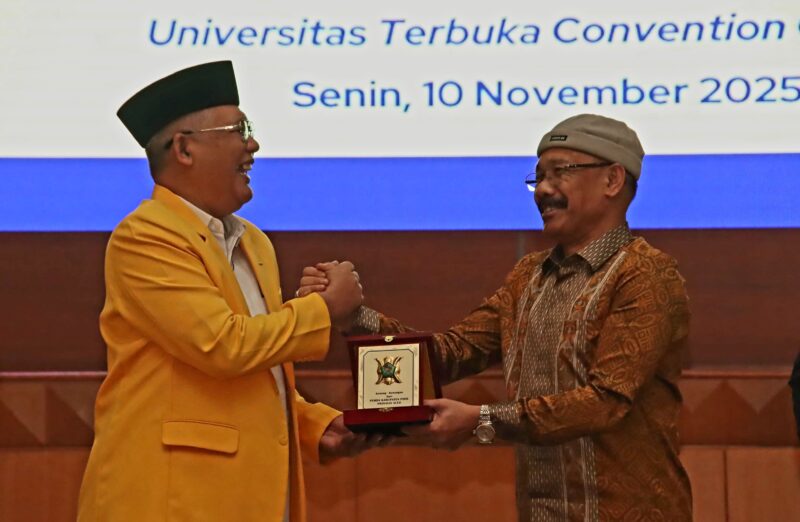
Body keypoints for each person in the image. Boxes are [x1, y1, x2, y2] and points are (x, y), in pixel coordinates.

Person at [300, 114, 692, 521]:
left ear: (612, 180)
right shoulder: (529, 277)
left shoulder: (645, 274)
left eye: (561, 173)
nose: (543, 190)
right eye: (537, 177)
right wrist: (351, 315)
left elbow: (605, 403)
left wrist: (481, 420)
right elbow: (451, 354)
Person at [78, 61, 370, 522]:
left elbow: (250, 375)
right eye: (239, 129)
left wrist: (312, 425)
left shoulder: (253, 242)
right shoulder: (146, 236)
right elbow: (222, 345)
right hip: (170, 501)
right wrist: (323, 310)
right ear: (185, 149)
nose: (252, 144)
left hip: (242, 498)